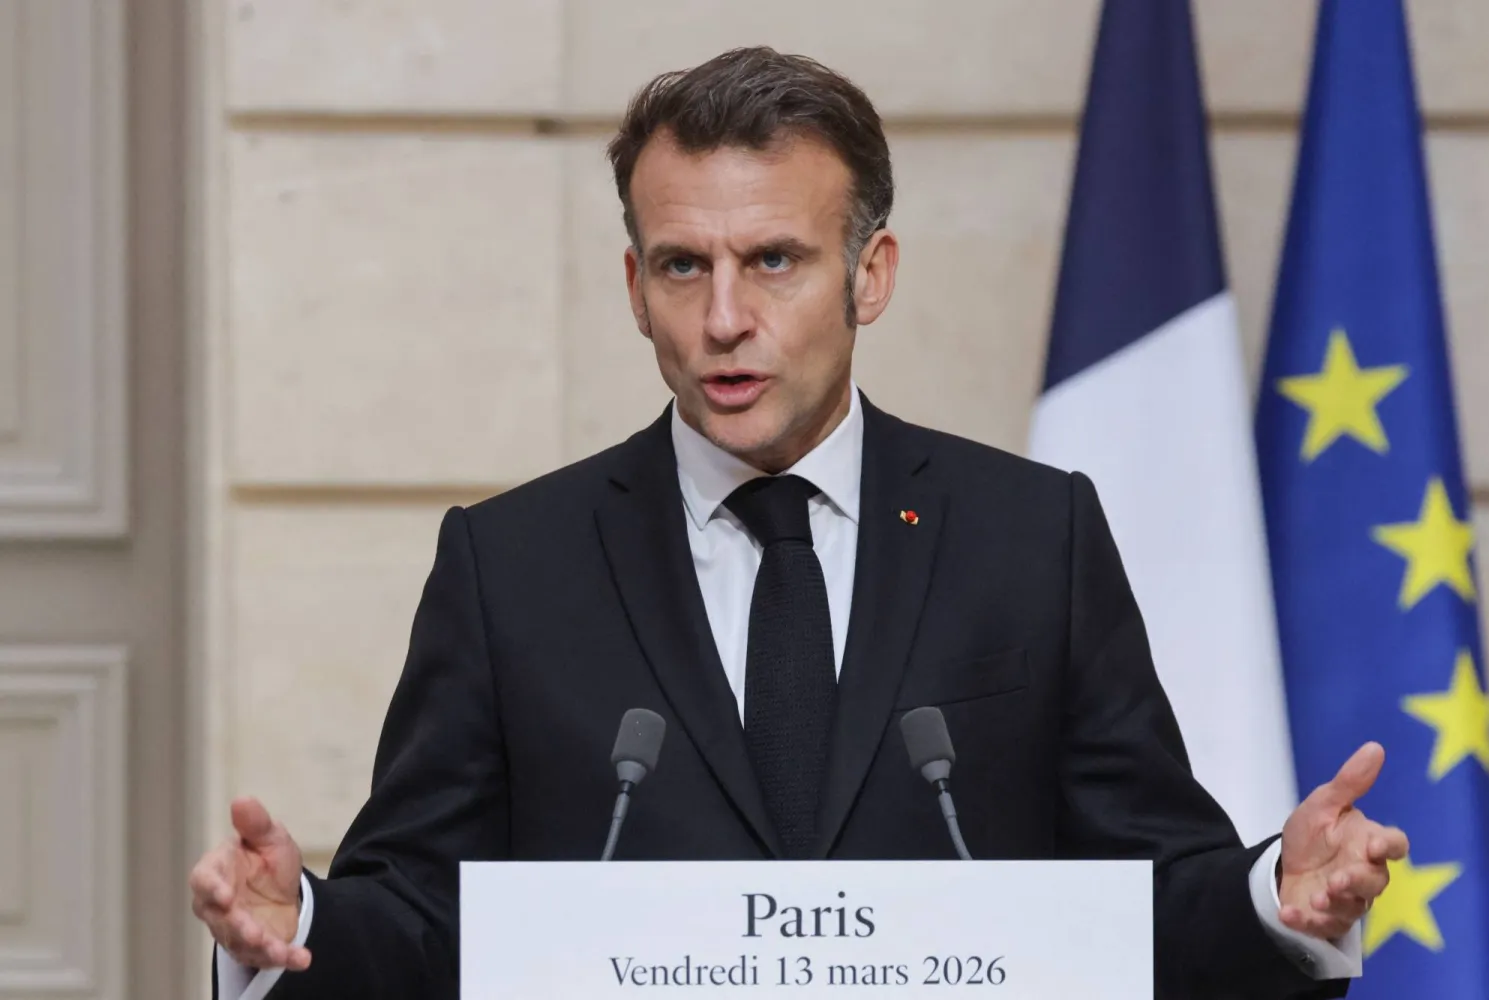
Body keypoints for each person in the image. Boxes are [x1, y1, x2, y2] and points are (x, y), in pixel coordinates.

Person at [191, 47, 1407, 1000]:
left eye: (773, 261)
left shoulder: (1034, 538)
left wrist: (1271, 896)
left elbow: (1143, 899)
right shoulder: (514, 566)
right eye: (681, 266)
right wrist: (295, 922)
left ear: (869, 274)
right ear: (634, 288)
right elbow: (420, 923)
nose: (723, 318)